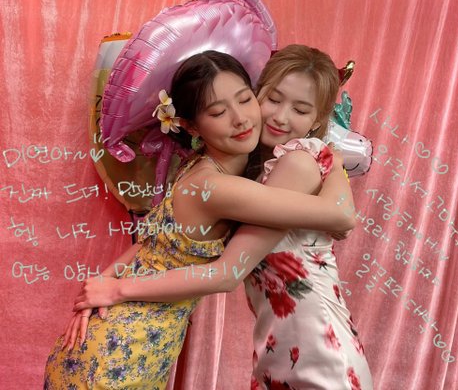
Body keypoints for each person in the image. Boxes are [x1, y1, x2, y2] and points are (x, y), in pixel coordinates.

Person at [44, 49, 355, 389]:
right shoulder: (216, 186)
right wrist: (334, 162)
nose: (241, 119)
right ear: (191, 125)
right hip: (123, 352)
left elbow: (151, 243)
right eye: (219, 112)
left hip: (114, 342)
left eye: (244, 99)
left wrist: (103, 283)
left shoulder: (198, 166)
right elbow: (341, 216)